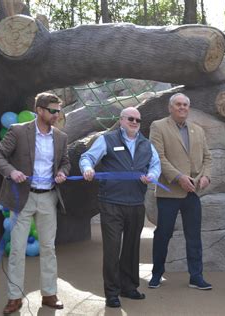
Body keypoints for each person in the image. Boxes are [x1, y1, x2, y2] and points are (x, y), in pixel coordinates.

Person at [0, 92, 70, 314]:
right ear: (40, 110)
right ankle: (14, 297)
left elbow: (65, 162)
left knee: (48, 248)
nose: (57, 115)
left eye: (58, 110)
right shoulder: (17, 131)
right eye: (53, 111)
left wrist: (63, 173)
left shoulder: (61, 137)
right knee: (16, 249)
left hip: (48, 198)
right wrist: (12, 171)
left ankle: (49, 294)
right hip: (21, 200)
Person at [79, 107, 161, 308]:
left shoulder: (146, 144)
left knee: (132, 248)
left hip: (135, 203)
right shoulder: (107, 139)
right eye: (131, 118)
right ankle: (112, 293)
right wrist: (88, 168)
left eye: (138, 120)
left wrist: (152, 176)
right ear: (122, 120)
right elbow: (86, 157)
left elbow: (156, 165)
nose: (134, 122)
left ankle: (129, 287)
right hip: (111, 203)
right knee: (112, 248)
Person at [148, 93, 213, 290]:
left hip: (193, 193)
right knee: (163, 234)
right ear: (170, 107)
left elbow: (208, 158)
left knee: (194, 236)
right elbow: (157, 157)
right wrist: (178, 177)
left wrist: (206, 177)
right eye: (178, 104)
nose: (182, 107)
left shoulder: (197, 130)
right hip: (169, 192)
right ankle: (157, 274)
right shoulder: (158, 126)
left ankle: (196, 276)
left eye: (185, 104)